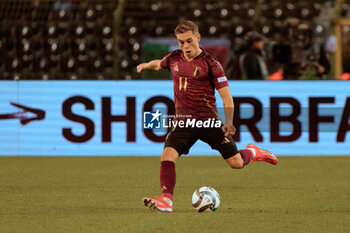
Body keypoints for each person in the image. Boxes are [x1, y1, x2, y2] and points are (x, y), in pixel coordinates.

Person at [136, 21, 278, 213]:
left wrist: (228, 122)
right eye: (181, 42)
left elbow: (227, 97)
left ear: (198, 37)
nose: (185, 46)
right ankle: (166, 201)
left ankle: (253, 152)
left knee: (235, 162)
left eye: (189, 41)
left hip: (208, 122)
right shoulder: (173, 59)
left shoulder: (212, 64)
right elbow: (158, 64)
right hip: (184, 121)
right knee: (167, 155)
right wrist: (145, 65)